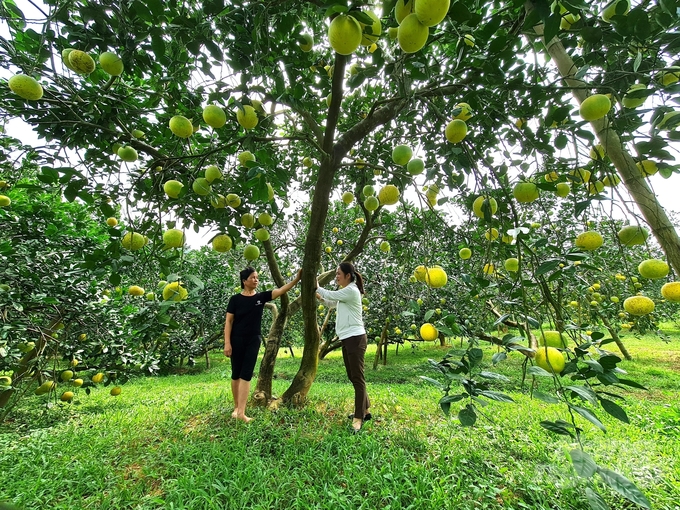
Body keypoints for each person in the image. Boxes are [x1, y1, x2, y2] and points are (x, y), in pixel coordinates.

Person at [224, 266, 301, 422]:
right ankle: (237, 408)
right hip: (236, 339)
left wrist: (297, 279)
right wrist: (227, 343)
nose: (256, 280)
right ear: (244, 281)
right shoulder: (235, 300)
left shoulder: (260, 297)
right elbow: (228, 321)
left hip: (253, 340)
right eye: (252, 277)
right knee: (236, 374)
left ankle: (241, 413)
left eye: (257, 277)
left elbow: (281, 290)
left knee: (246, 375)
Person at [316, 262, 370, 433]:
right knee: (353, 376)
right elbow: (332, 303)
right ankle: (366, 410)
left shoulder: (351, 290)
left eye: (338, 274)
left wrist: (316, 285)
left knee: (357, 377)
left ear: (348, 275)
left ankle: (358, 417)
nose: (336, 276)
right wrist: (321, 299)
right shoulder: (346, 293)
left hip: (355, 338)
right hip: (348, 338)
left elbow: (330, 294)